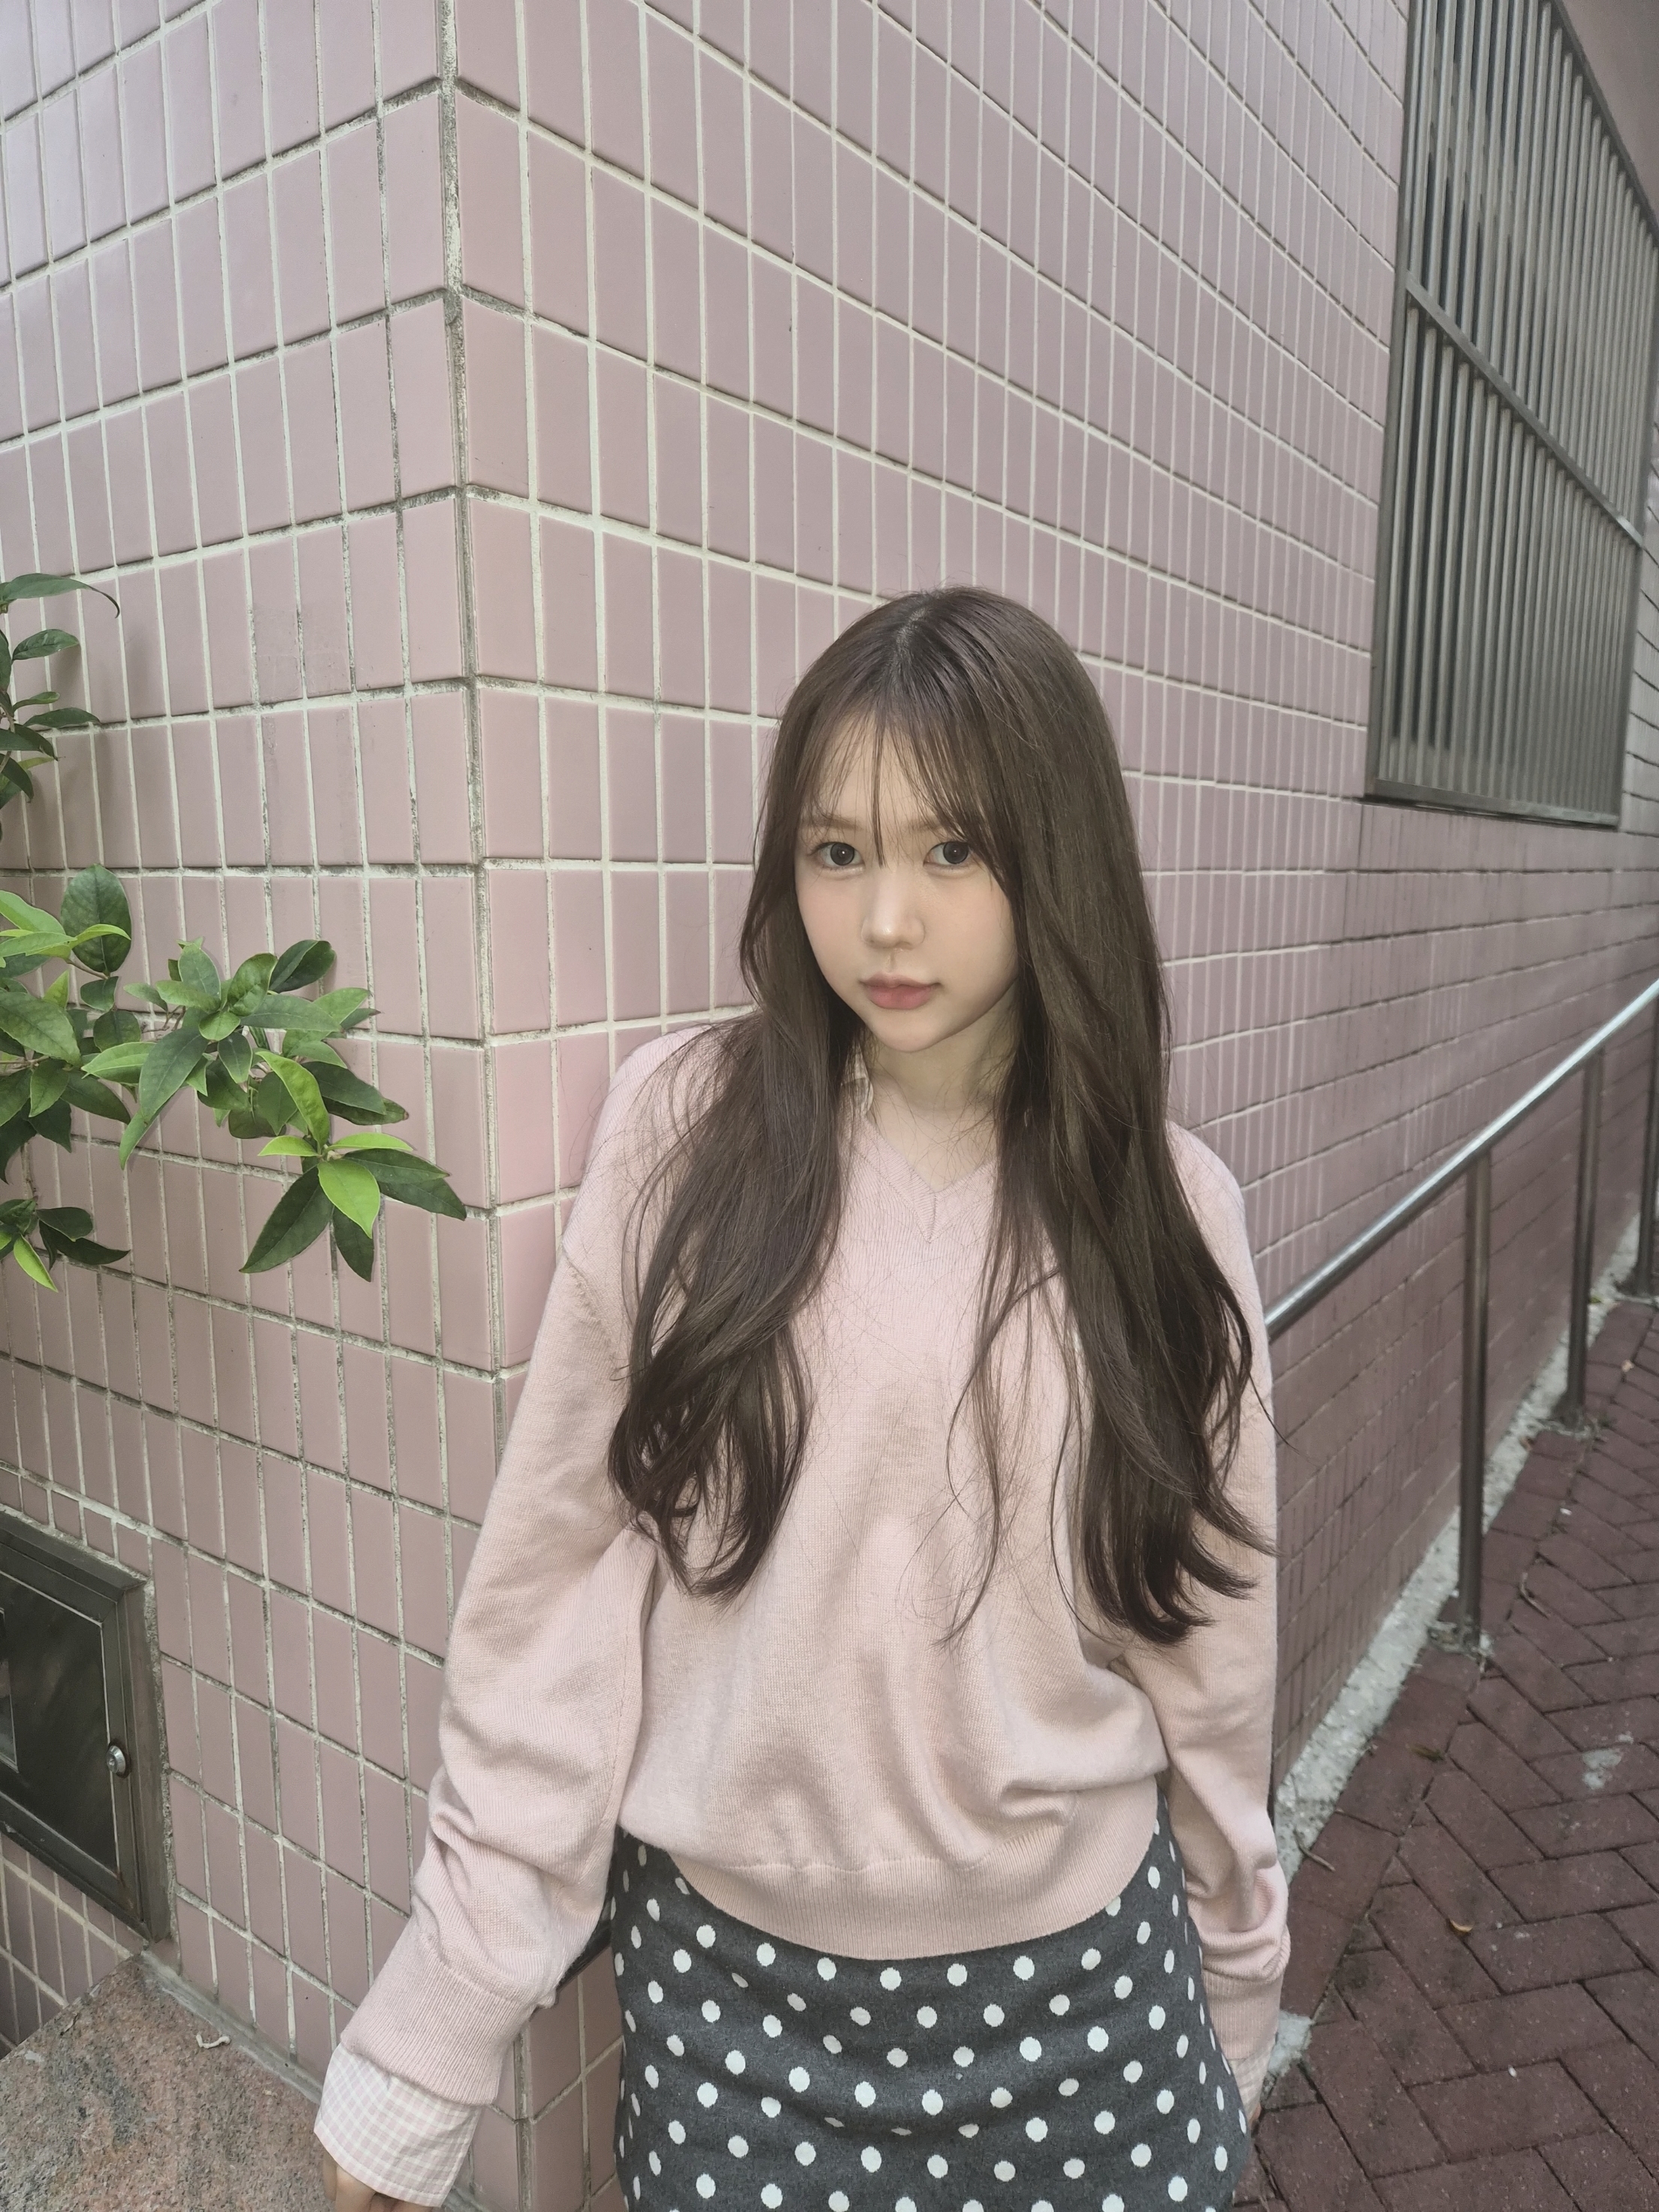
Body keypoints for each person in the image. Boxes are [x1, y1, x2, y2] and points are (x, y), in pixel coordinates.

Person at [314, 588, 1287, 2212]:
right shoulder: (684, 1136)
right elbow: (559, 1588)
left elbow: (1213, 1650)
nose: (886, 920)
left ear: (1057, 858)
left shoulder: (1169, 1212)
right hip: (736, 2007)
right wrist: (432, 2041)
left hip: (1087, 2000)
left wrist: (1235, 1984)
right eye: (838, 851)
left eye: (953, 851)